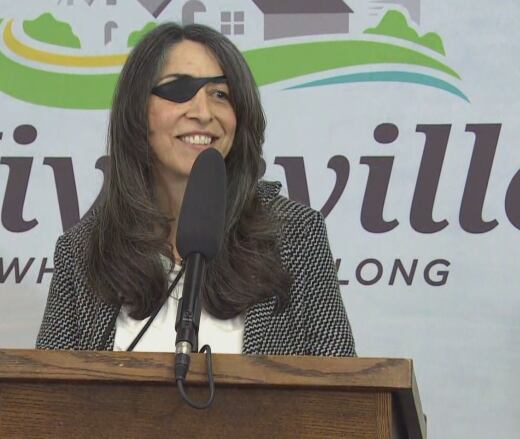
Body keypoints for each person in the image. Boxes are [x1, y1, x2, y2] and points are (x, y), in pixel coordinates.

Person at [36, 23, 355, 357]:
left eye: (221, 94)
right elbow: (42, 397)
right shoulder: (85, 251)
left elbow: (344, 395)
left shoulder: (296, 236)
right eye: (179, 89)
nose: (203, 113)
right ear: (137, 111)